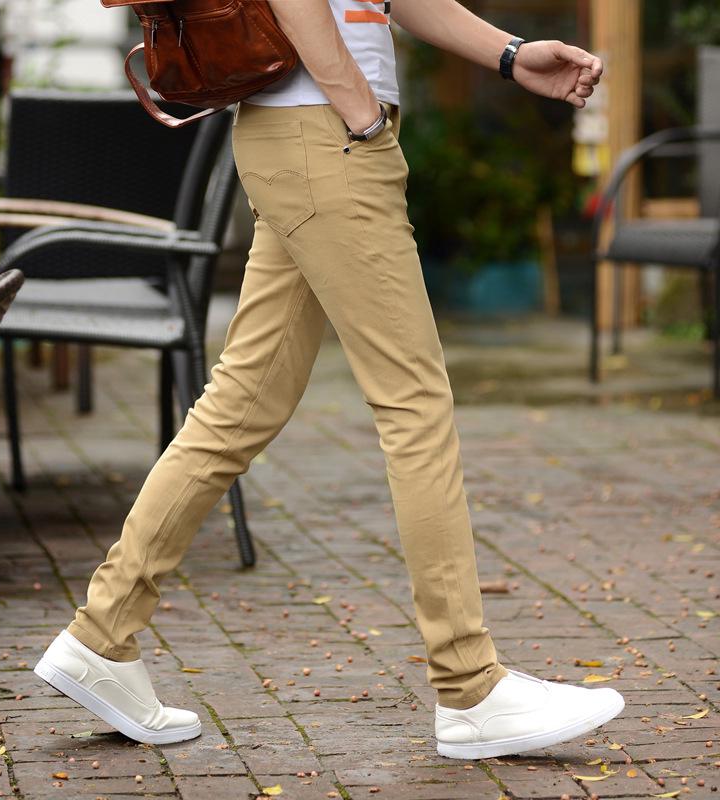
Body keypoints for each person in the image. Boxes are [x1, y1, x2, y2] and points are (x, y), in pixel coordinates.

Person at [34, 0, 624, 760]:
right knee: (413, 402)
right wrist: (360, 113)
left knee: (241, 405)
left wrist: (509, 55)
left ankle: (101, 635)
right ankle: (470, 685)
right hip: (327, 133)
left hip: (304, 135)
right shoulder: (346, 118)